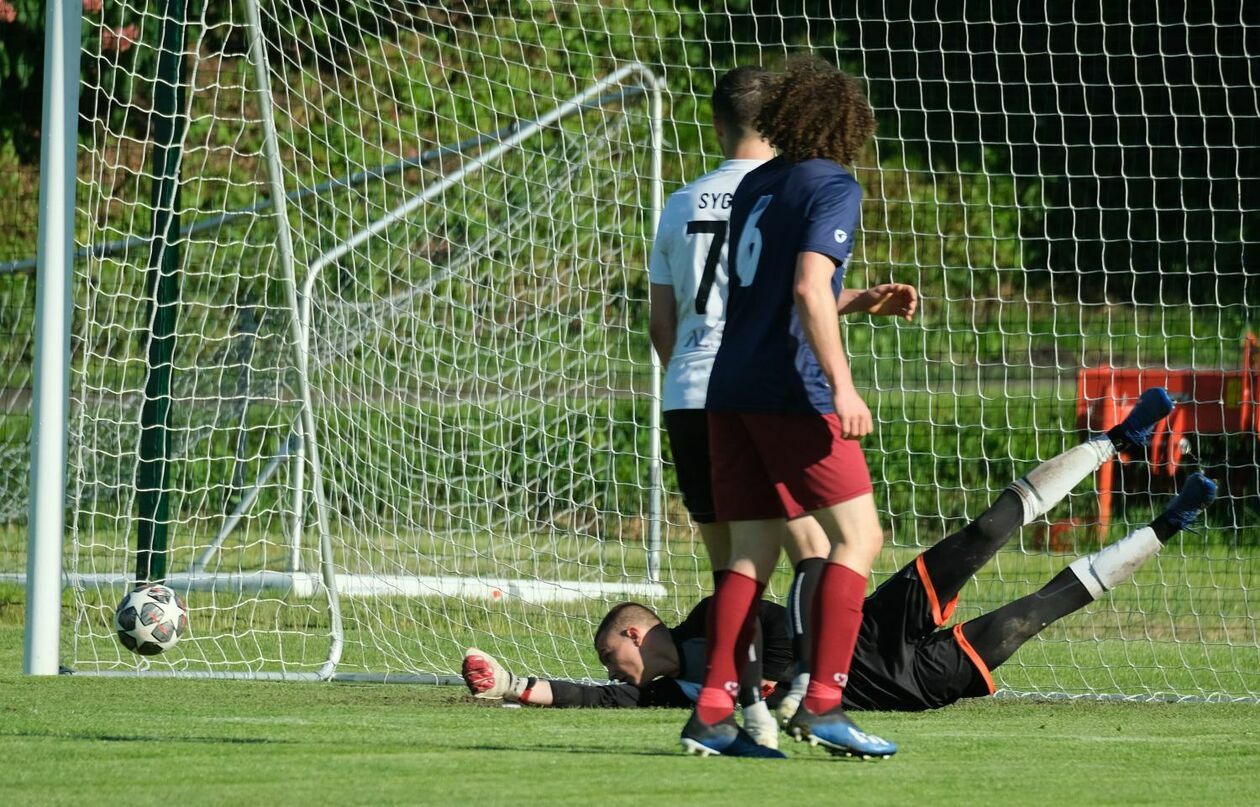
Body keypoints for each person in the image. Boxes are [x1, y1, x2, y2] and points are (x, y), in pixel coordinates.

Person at [463, 388, 1217, 722]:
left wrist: (758, 684)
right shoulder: (662, 695)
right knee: (1031, 614)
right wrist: (506, 683)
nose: (610, 672)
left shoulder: (714, 617)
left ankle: (1111, 441)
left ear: (635, 631)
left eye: (610, 655)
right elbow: (580, 697)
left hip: (869, 623)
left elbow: (791, 632)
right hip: (901, 684)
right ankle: (1169, 526)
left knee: (984, 533)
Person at [647, 65, 916, 750]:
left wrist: (853, 300)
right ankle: (822, 699)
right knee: (858, 538)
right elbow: (805, 286)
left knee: (747, 555)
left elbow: (755, 294)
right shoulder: (831, 183)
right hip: (789, 390)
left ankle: (712, 712)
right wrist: (843, 384)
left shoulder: (755, 187)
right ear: (845, 125)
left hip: (722, 389)